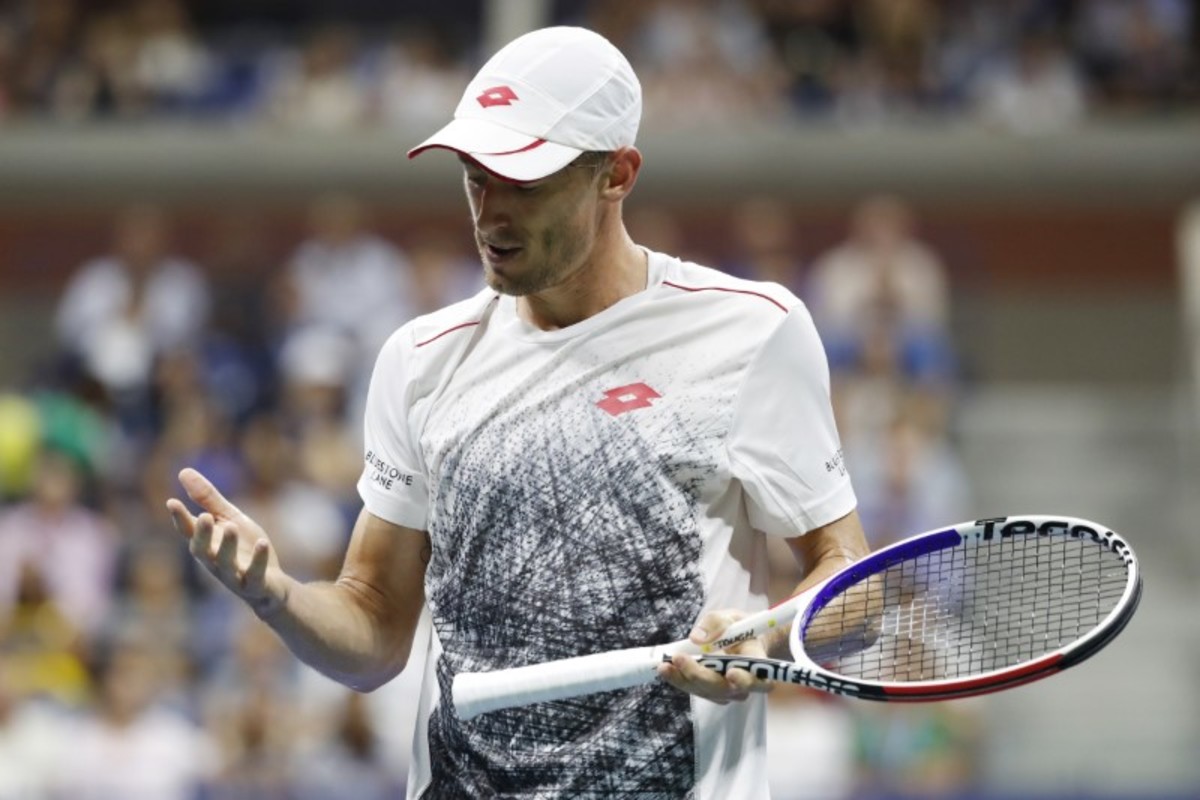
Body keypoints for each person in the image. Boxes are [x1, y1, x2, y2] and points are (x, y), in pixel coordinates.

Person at [166, 26, 869, 799]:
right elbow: (373, 632)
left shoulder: (752, 332)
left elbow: (855, 588)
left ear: (617, 175)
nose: (491, 215)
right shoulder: (420, 359)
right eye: (476, 180)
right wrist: (278, 596)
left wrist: (763, 640)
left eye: (524, 185)